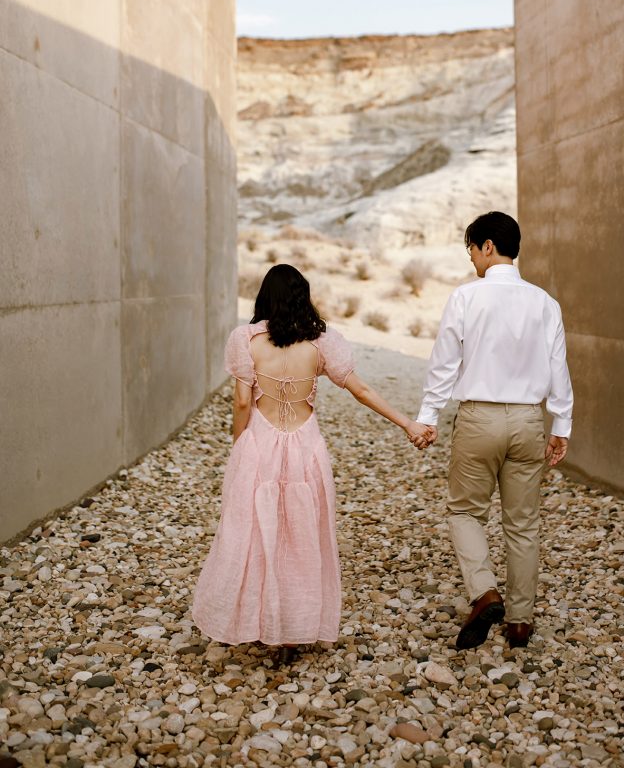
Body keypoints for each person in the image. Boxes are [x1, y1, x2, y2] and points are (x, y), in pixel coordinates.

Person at [192, 264, 434, 657]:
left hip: (260, 444)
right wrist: (407, 423)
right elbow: (361, 388)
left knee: (254, 534)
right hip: (305, 446)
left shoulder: (245, 339)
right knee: (302, 537)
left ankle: (257, 621)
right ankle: (293, 631)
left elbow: (240, 401)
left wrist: (239, 447)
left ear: (265, 298)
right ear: (303, 297)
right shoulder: (322, 342)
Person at [416, 212, 573, 650]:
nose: (470, 258)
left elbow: (445, 364)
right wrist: (561, 423)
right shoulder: (545, 303)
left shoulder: (466, 297)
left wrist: (428, 416)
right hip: (528, 422)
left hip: (479, 419)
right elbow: (558, 366)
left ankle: (485, 591)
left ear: (487, 246)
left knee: (465, 511)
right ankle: (520, 622)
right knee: (523, 523)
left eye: (471, 248)